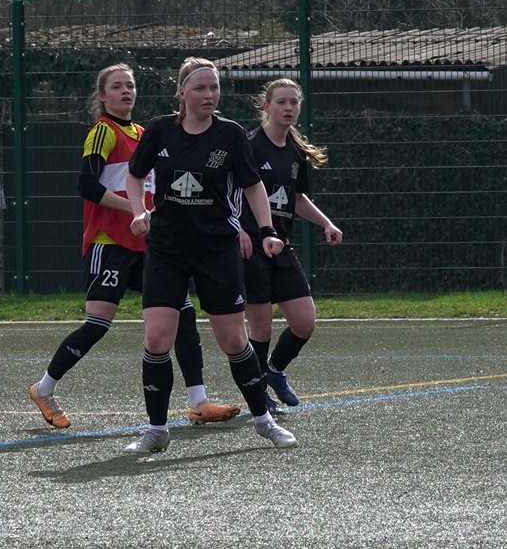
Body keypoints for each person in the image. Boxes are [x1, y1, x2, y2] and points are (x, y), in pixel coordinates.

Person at [28, 63, 239, 430]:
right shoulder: (102, 131)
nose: (126, 91)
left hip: (148, 244)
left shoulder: (146, 132)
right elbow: (87, 185)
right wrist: (136, 209)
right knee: (97, 324)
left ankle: (198, 402)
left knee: (183, 315)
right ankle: (44, 389)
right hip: (110, 242)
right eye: (117, 86)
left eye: (130, 85)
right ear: (102, 95)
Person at [123, 57, 297, 453]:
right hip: (166, 248)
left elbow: (253, 186)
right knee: (156, 337)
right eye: (200, 88)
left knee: (234, 339)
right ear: (181, 92)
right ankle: (156, 430)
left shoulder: (230, 134)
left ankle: (263, 421)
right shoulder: (160, 130)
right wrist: (138, 211)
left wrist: (267, 230)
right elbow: (134, 175)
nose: (209, 95)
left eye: (214, 88)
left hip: (216, 249)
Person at [238, 78, 342, 413]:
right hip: (250, 246)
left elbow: (296, 198)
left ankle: (274, 370)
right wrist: (238, 230)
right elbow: (228, 193)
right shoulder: (249, 145)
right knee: (261, 326)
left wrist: (326, 223)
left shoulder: (296, 152)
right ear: (266, 107)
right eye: (281, 102)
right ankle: (258, 397)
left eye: (293, 102)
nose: (288, 108)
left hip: (281, 246)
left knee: (304, 321)